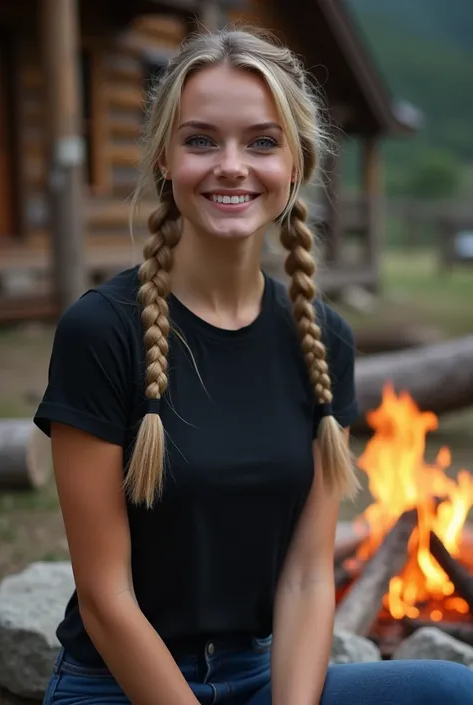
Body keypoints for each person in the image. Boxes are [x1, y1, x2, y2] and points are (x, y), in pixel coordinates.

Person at [34, 27, 473, 705]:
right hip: (120, 685)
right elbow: (105, 598)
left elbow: (304, 575)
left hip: (264, 676)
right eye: (201, 139)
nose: (231, 165)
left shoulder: (322, 338)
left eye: (262, 142)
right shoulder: (102, 331)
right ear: (163, 159)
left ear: (295, 163)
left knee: (449, 689)